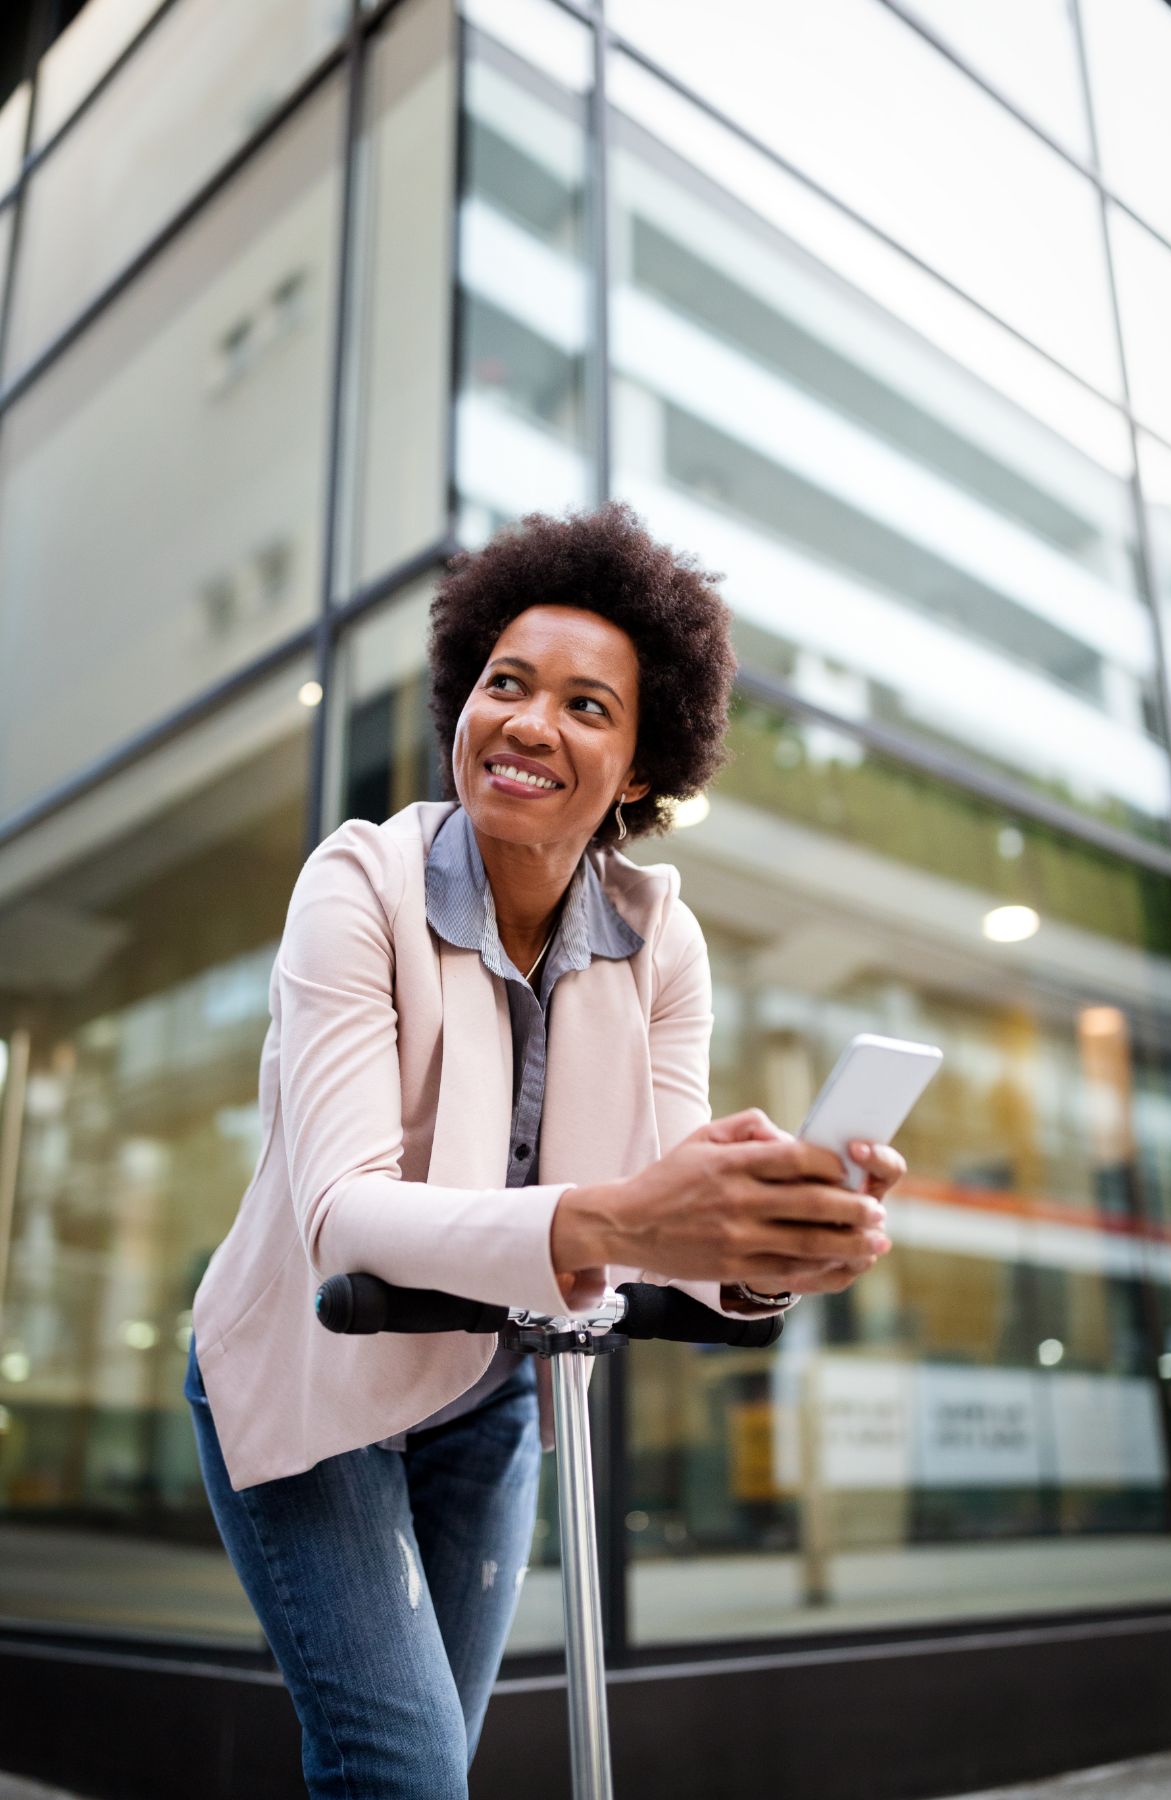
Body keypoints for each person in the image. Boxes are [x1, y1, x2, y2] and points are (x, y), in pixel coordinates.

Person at [183, 500, 903, 1797]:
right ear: (463, 703)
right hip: (309, 1375)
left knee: (421, 1771)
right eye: (506, 684)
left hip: (489, 1395)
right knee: (401, 1775)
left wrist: (770, 1240)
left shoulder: (657, 941)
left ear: (638, 771)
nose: (529, 722)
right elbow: (343, 1213)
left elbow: (668, 1210)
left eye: (587, 706)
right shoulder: (360, 886)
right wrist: (620, 1223)